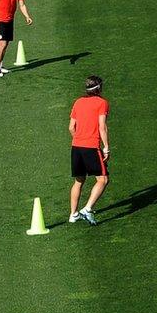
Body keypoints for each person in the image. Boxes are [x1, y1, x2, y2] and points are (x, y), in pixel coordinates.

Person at [68, 75, 110, 226]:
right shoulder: (102, 103)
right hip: (91, 147)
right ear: (98, 88)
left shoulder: (78, 102)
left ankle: (73, 214)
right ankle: (87, 209)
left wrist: (79, 138)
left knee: (79, 181)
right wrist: (106, 148)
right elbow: (102, 127)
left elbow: (71, 127)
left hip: (76, 146)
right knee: (103, 179)